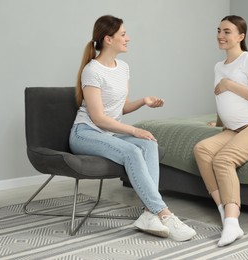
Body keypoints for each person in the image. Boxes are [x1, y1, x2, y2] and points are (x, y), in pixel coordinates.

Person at [69, 15, 196, 242]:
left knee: (149, 144)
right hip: (86, 133)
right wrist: (133, 130)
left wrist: (143, 101)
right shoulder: (92, 70)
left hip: (108, 132)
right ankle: (164, 214)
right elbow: (98, 118)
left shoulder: (123, 68)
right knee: (133, 150)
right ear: (108, 39)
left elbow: (120, 109)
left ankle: (148, 214)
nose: (129, 38)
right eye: (123, 34)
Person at [193, 15, 248, 247]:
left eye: (227, 31)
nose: (221, 35)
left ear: (241, 36)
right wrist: (219, 121)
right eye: (219, 30)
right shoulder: (218, 66)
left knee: (223, 159)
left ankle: (232, 221)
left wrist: (230, 84)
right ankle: (225, 213)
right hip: (233, 128)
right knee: (202, 149)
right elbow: (224, 100)